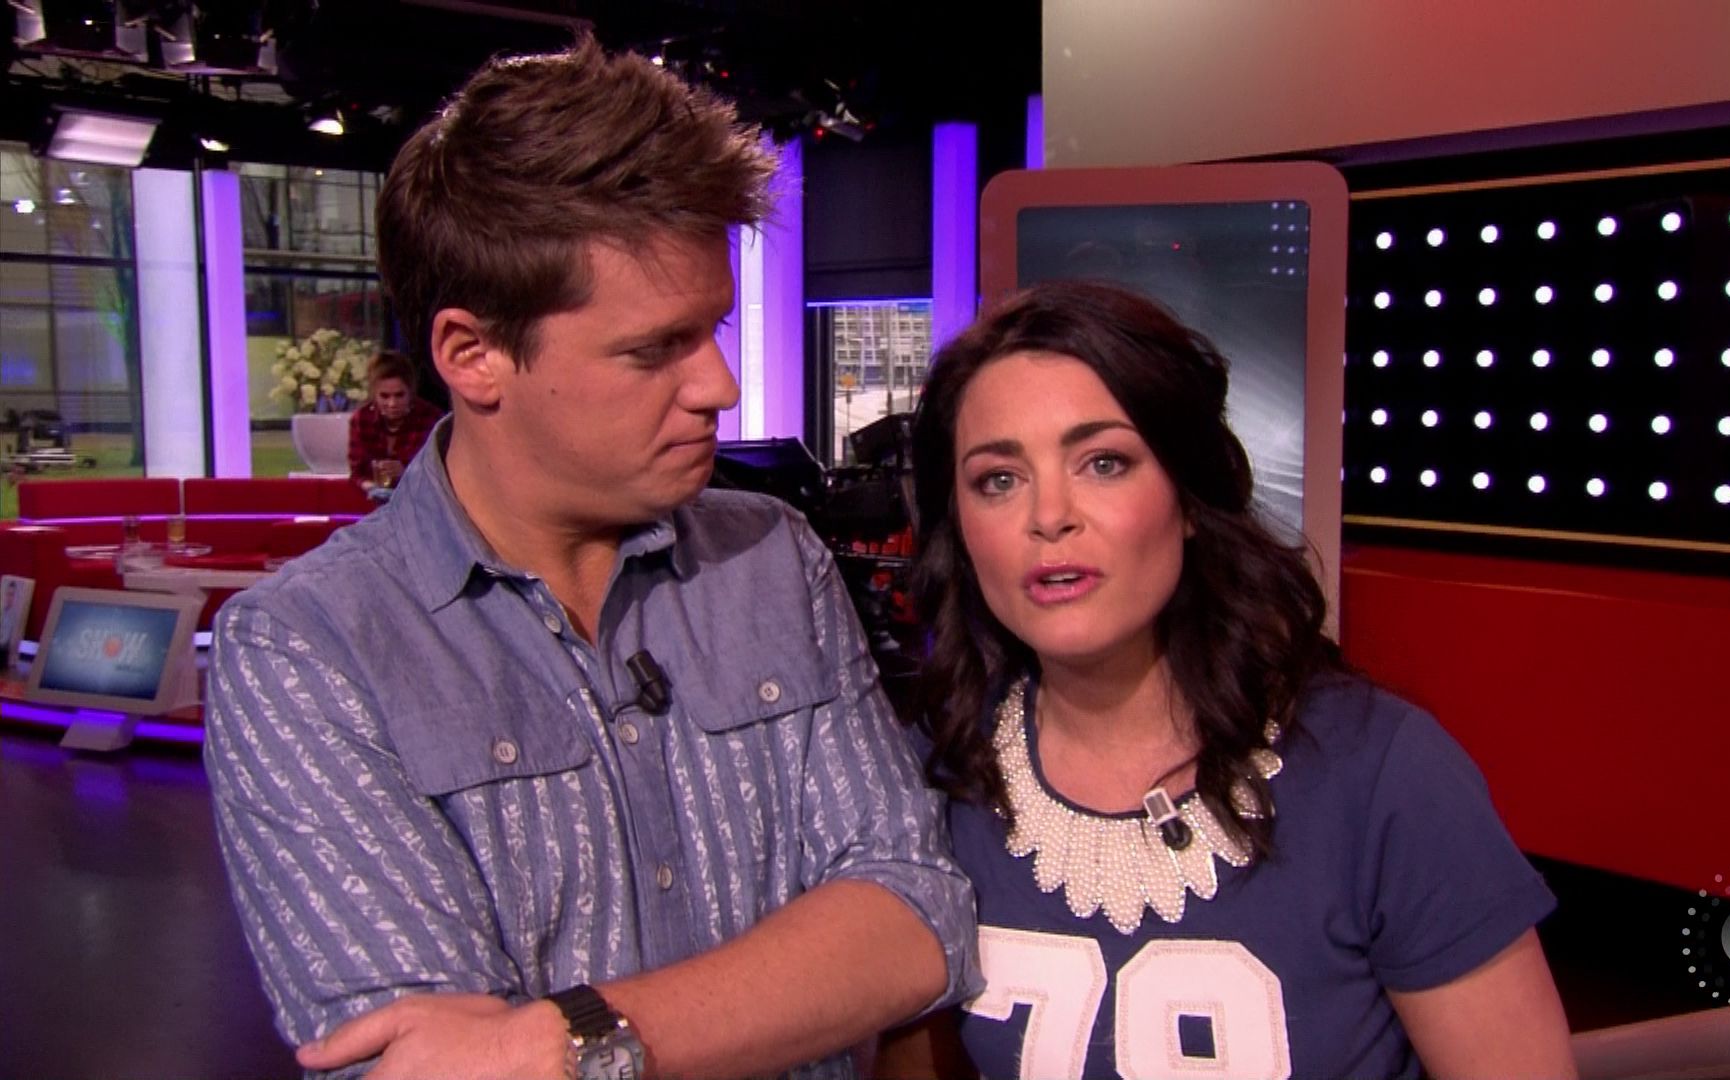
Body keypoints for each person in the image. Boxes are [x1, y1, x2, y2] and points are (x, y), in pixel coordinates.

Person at [204, 39, 978, 1080]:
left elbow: (915, 916)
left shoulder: (770, 556)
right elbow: (423, 1065)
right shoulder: (306, 650)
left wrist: (560, 1040)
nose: (720, 385)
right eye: (656, 348)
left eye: (714, 328)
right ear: (473, 355)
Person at [885, 280, 1576, 1079]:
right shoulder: (933, 778)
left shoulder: (1384, 775)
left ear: (1188, 500)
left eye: (1104, 463)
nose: (1050, 516)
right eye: (999, 479)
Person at [347, 349, 442, 499]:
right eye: (384, 396)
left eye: (399, 395)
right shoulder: (361, 420)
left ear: (411, 392)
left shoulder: (430, 419)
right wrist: (373, 488)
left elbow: (441, 472)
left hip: (423, 499)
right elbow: (357, 473)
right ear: (374, 394)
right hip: (373, 502)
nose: (392, 404)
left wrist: (407, 472)